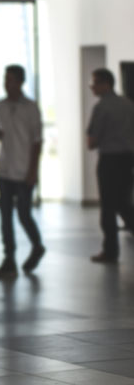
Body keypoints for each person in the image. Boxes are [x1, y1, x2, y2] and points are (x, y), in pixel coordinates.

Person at [0, 65, 45, 277]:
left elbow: (37, 141)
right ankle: (9, 258)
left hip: (23, 170)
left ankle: (37, 245)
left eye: (11, 80)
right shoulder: (0, 106)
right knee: (5, 216)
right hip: (4, 169)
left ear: (20, 82)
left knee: (23, 214)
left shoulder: (31, 108)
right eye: (5, 79)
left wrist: (33, 171)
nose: (7, 84)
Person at [86, 68, 134, 263]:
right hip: (128, 159)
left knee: (108, 206)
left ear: (106, 84)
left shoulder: (101, 108)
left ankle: (110, 250)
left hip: (109, 161)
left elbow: (92, 142)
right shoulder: (129, 105)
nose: (92, 87)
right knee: (124, 203)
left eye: (95, 83)